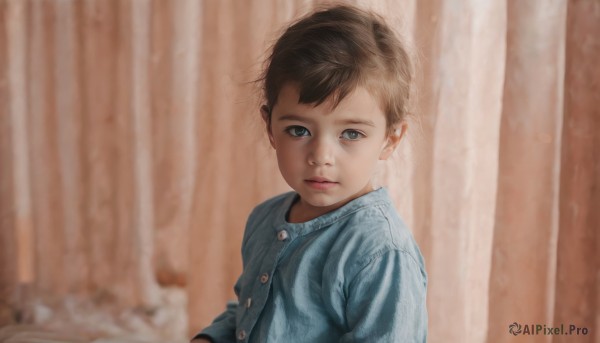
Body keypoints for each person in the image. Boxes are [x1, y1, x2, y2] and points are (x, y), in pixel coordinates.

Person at [192, 4, 427, 342]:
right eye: (299, 130)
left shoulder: (381, 251)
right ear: (270, 127)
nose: (321, 157)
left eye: (351, 134)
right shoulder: (265, 218)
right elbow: (251, 310)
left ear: (390, 140)